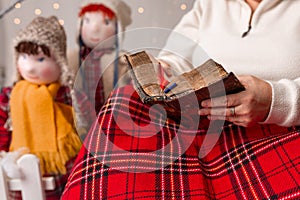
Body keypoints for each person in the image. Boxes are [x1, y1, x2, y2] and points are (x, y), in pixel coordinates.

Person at [62, 0, 300, 199]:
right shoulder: (209, 4)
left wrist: (275, 100)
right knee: (125, 99)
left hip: (280, 131)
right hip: (202, 122)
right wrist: (162, 71)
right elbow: (178, 57)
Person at [0, 16, 91, 199]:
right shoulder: (11, 95)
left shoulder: (68, 94)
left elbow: (86, 126)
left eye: (40, 59)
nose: (30, 68)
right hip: (22, 176)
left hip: (64, 173)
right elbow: (2, 127)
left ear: (60, 62)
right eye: (24, 57)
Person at [68, 0, 132, 117]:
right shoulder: (72, 59)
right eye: (87, 21)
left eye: (106, 22)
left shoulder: (122, 61)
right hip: (78, 118)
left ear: (118, 29)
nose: (94, 30)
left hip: (111, 118)